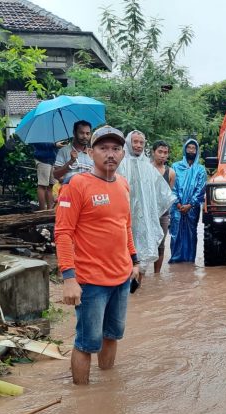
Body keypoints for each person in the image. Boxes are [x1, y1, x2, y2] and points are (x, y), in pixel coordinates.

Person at [54, 125, 139, 385]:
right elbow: (63, 233)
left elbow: (125, 225)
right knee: (86, 343)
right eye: (103, 148)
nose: (110, 154)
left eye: (115, 148)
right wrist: (69, 278)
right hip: (90, 282)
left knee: (112, 335)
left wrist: (134, 261)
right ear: (91, 152)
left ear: (123, 153)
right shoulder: (76, 184)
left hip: (121, 277)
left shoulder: (123, 184)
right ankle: (83, 399)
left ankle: (106, 393)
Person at [116, 131, 175, 285]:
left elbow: (161, 193)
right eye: (135, 142)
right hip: (124, 216)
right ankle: (122, 285)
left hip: (144, 218)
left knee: (142, 250)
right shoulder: (120, 164)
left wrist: (152, 214)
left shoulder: (148, 167)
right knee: (123, 249)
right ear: (128, 142)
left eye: (141, 143)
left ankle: (137, 287)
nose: (138, 145)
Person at [169, 139, 206, 263]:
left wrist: (190, 204)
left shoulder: (200, 169)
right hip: (176, 207)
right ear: (185, 149)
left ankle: (190, 262)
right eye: (189, 147)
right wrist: (178, 203)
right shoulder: (175, 166)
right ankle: (175, 261)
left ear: (197, 151)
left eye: (193, 148)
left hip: (193, 208)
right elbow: (172, 186)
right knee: (175, 233)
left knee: (191, 234)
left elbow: (201, 189)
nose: (191, 150)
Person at [151, 140, 176, 273]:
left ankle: (156, 275)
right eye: (160, 152)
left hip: (163, 214)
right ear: (153, 152)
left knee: (161, 244)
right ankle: (140, 273)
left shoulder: (171, 173)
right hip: (147, 212)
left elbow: (168, 196)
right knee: (143, 242)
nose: (162, 155)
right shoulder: (147, 169)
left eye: (165, 153)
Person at [31, 141, 65, 210]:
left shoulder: (51, 131)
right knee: (42, 185)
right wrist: (54, 144)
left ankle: (50, 209)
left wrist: (59, 145)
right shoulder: (38, 132)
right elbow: (38, 143)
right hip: (42, 159)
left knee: (51, 185)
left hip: (53, 160)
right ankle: (42, 210)